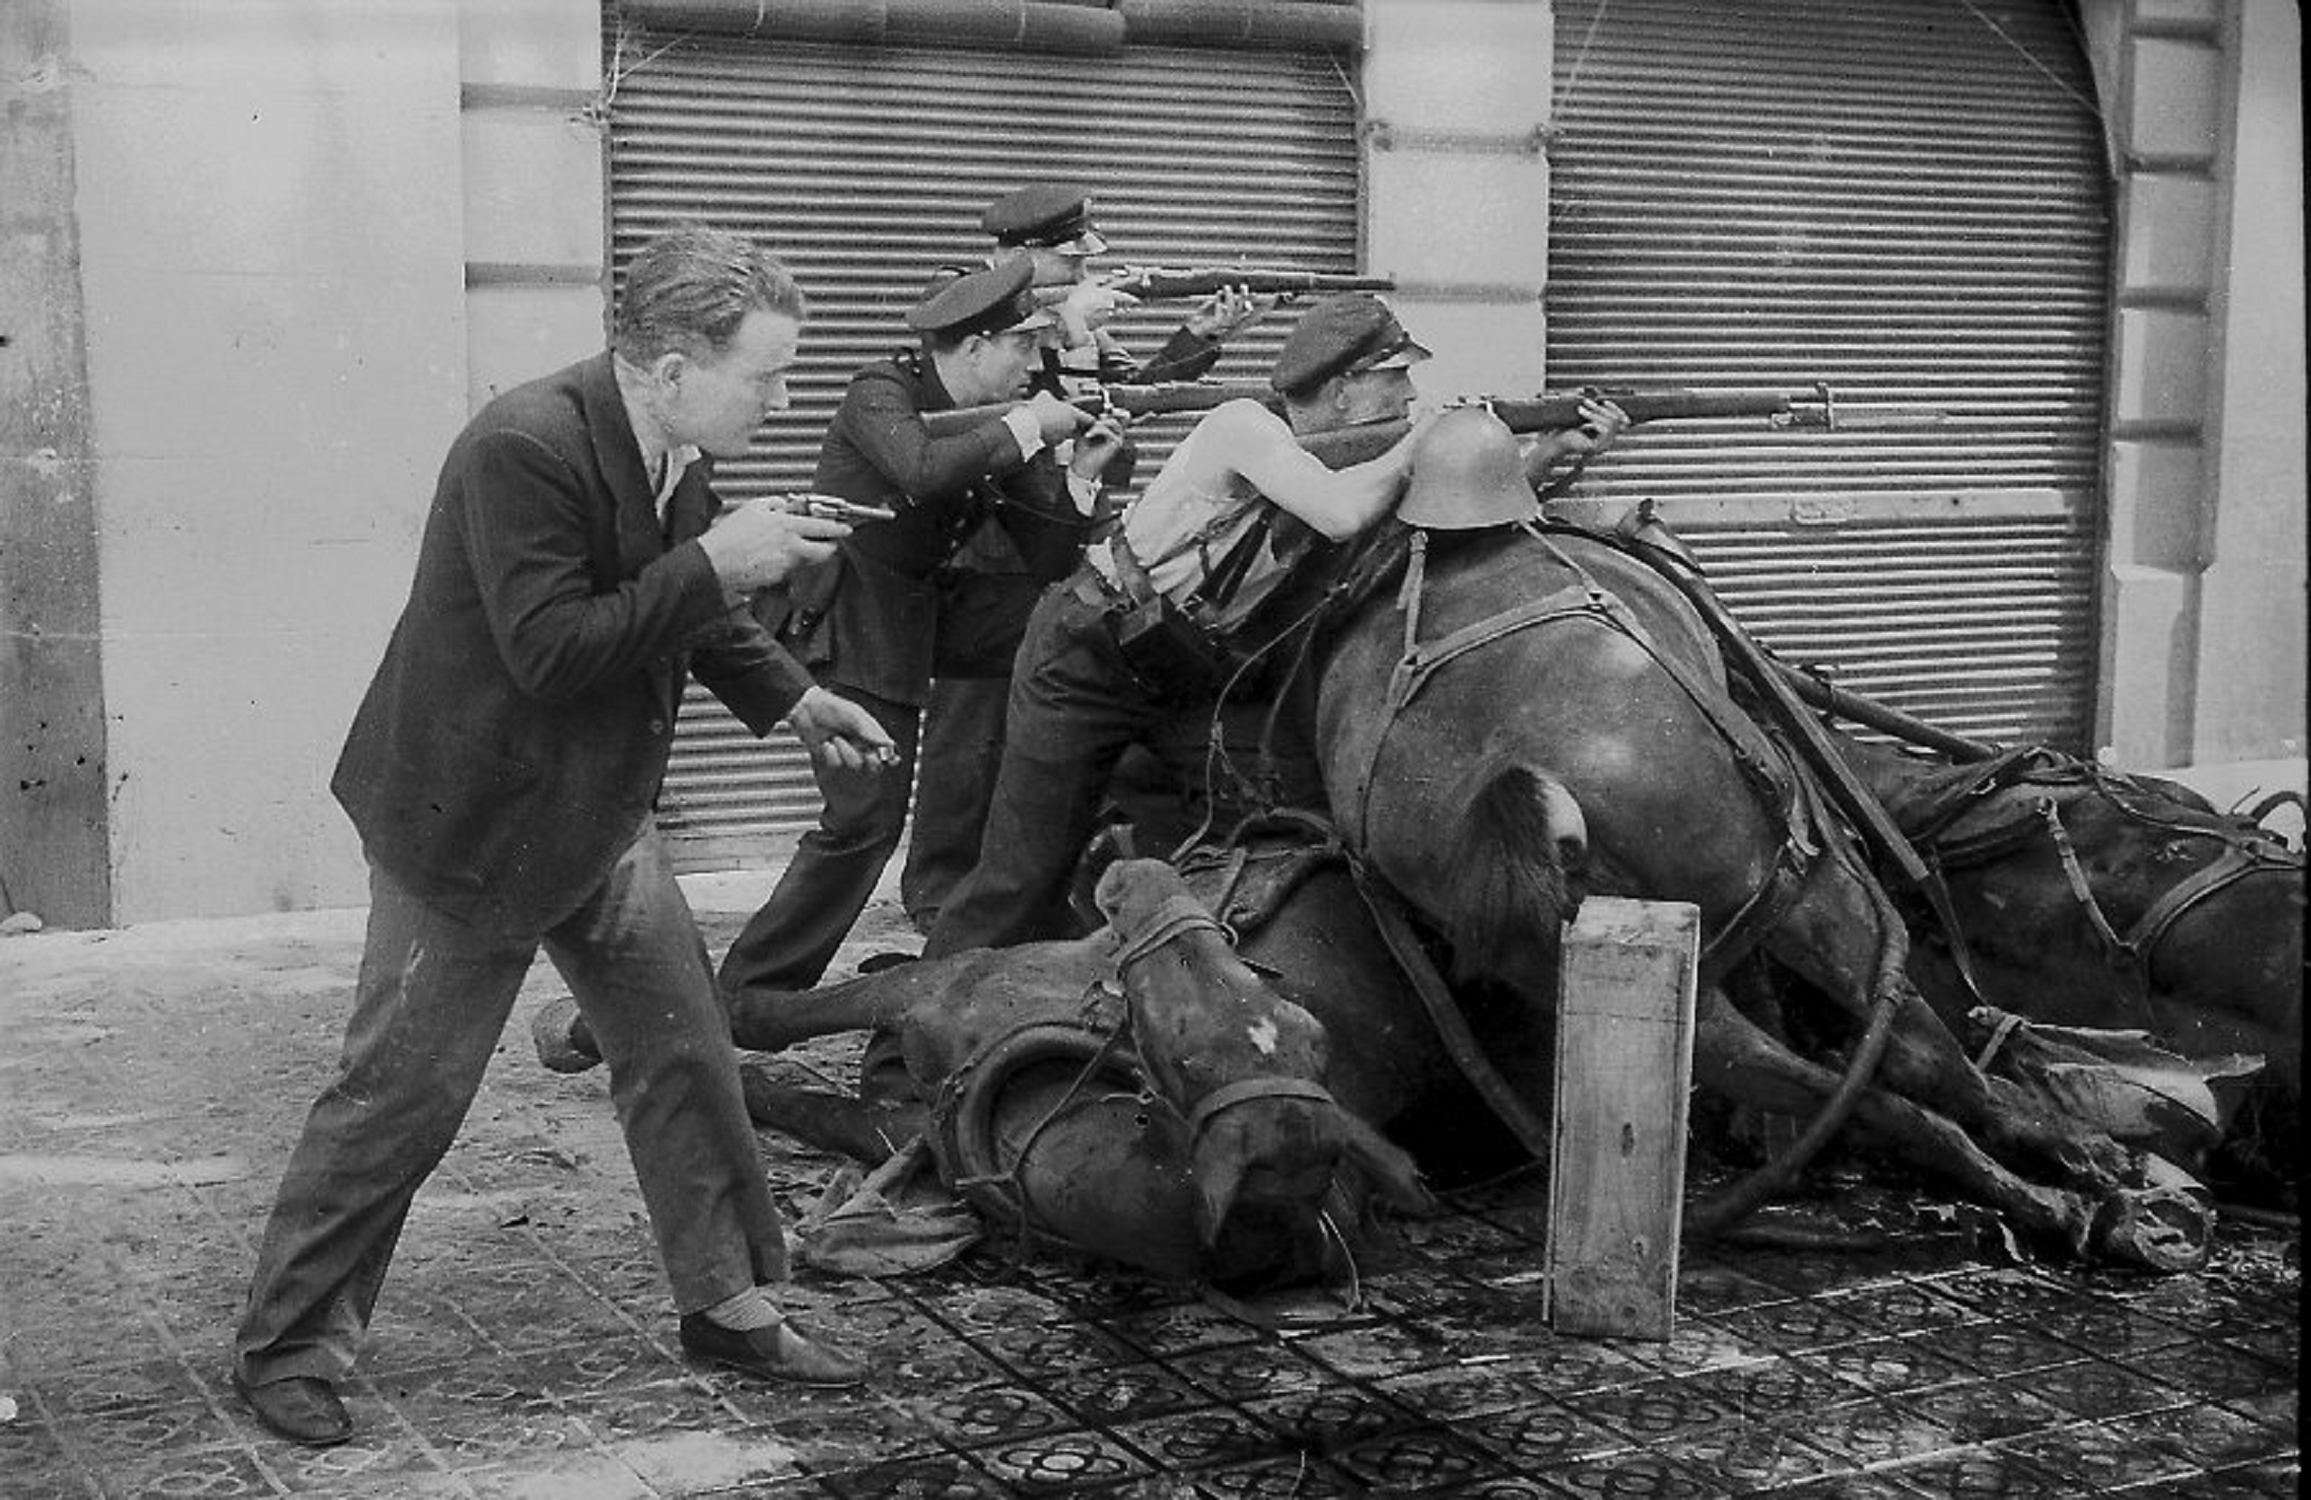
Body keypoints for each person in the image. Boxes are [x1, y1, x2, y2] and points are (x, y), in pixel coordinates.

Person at [230, 227, 894, 1448]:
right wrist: (714, 561)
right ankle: (287, 1344)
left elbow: (681, 615)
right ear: (675, 365)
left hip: (596, 813)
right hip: (471, 823)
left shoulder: (671, 444)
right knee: (402, 1095)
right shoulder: (521, 446)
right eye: (768, 374)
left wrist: (798, 699)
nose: (787, 398)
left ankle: (731, 1304)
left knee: (686, 1053)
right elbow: (551, 649)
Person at [922, 294, 1627, 957]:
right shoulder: (1242, 427)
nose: (1409, 399)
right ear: (1345, 388)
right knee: (1019, 875)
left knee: (1281, 819)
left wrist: (1547, 455)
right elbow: (1342, 512)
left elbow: (1432, 527)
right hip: (1086, 655)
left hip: (1189, 672)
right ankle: (898, 1061)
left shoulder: (1361, 466)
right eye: (1395, 382)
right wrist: (1418, 444)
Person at [713, 259, 1128, 1006]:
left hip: (933, 610)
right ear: (974, 348)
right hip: (857, 614)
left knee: (1066, 627)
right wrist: (1030, 424)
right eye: (1022, 349)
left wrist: (1082, 479)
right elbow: (921, 467)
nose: (1035, 367)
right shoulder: (884, 392)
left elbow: (1045, 557)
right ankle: (752, 988)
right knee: (864, 819)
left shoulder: (1002, 421)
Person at [899, 183, 1271, 933]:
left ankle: (1025, 890)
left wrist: (1196, 339)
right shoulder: (960, 298)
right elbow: (978, 409)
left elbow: (1110, 400)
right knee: (969, 731)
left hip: (1065, 525)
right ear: (1016, 253)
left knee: (1037, 731)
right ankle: (939, 894)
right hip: (989, 542)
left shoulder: (1072, 321)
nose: (1076, 271)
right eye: (1063, 258)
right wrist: (1065, 320)